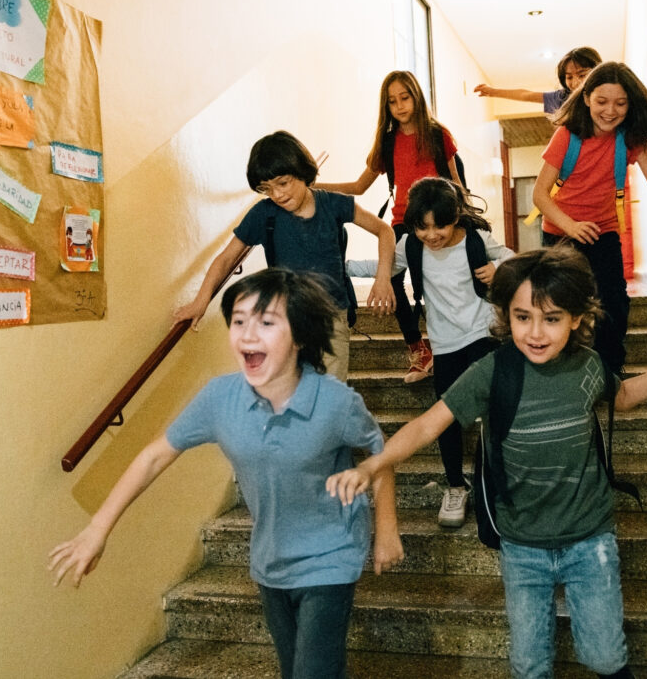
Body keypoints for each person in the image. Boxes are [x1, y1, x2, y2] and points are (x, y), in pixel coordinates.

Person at [326, 246, 647, 679]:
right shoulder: (491, 372)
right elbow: (425, 427)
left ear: (575, 318)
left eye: (551, 319)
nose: (535, 332)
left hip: (590, 541)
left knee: (606, 657)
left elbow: (621, 397)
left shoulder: (587, 366)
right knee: (530, 665)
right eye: (522, 317)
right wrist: (372, 465)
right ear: (505, 315)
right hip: (522, 547)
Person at [50, 268, 404, 679]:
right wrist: (98, 529)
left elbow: (381, 451)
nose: (248, 335)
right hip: (270, 560)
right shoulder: (220, 398)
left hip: (332, 553)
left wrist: (388, 527)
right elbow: (153, 456)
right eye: (238, 321)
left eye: (266, 322)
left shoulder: (335, 402)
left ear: (301, 336)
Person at [348, 177, 514, 527]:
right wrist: (339, 267)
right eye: (423, 228)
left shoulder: (476, 240)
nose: (433, 235)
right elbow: (379, 266)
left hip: (483, 333)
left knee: (495, 410)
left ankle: (500, 481)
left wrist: (499, 270)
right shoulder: (411, 246)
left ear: (456, 217)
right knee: (446, 418)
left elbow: (512, 257)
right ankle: (456, 485)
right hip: (445, 344)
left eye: (441, 225)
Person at [174, 130, 396, 383]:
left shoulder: (334, 204)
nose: (277, 195)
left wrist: (383, 278)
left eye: (283, 183)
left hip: (331, 319)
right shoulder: (264, 214)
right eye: (267, 189)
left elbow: (384, 230)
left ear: (302, 172)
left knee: (329, 403)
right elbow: (225, 259)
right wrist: (200, 302)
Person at [532, 60, 647, 373]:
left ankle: (609, 371)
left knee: (614, 302)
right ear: (586, 98)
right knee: (559, 304)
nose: (610, 111)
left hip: (604, 231)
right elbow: (539, 195)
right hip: (560, 230)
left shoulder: (629, 139)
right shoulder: (566, 136)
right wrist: (570, 226)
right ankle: (558, 368)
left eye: (620, 103)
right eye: (601, 102)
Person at [316, 71, 464, 384]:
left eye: (404, 97)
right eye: (392, 101)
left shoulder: (438, 135)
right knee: (392, 278)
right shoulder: (386, 142)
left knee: (444, 284)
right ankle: (418, 349)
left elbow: (457, 186)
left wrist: (467, 224)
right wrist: (313, 187)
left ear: (416, 97)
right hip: (402, 223)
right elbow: (358, 187)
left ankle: (451, 348)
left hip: (438, 219)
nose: (399, 106)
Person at [474, 47, 602, 114]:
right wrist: (493, 92)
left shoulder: (610, 92)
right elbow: (526, 95)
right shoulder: (562, 98)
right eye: (569, 77)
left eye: (582, 75)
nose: (575, 82)